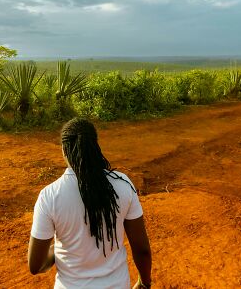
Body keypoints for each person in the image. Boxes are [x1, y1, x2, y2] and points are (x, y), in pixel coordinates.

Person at [28, 118, 152, 289]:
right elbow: (142, 249)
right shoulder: (123, 184)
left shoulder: (49, 196)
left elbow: (35, 265)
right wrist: (144, 283)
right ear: (95, 146)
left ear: (64, 150)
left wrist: (61, 250)